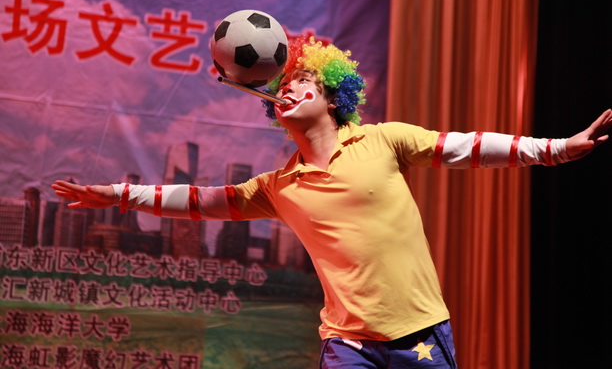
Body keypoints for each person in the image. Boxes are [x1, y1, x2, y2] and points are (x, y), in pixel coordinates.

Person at [53, 36, 612, 369]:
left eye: (303, 82)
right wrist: (118, 194)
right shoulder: (278, 186)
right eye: (281, 88)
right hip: (347, 345)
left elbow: (468, 146)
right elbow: (201, 200)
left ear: (332, 96)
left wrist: (557, 149)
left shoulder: (383, 139)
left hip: (421, 335)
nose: (288, 89)